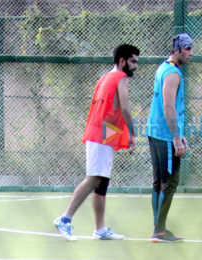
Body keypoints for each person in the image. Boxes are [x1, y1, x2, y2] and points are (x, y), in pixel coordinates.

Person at [54, 44, 140, 241]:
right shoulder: (121, 78)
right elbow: (125, 107)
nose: (136, 66)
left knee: (102, 181)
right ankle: (65, 219)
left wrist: (119, 136)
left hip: (102, 132)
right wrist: (132, 133)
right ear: (122, 61)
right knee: (93, 178)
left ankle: (99, 229)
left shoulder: (104, 78)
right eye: (133, 61)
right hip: (101, 133)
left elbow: (108, 110)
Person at [145, 33, 193, 242]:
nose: (191, 53)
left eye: (191, 48)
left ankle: (159, 227)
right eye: (187, 49)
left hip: (155, 132)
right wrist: (176, 138)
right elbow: (168, 106)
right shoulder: (173, 73)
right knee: (169, 183)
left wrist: (180, 135)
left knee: (159, 182)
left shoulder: (163, 67)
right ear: (177, 50)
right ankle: (159, 230)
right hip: (165, 136)